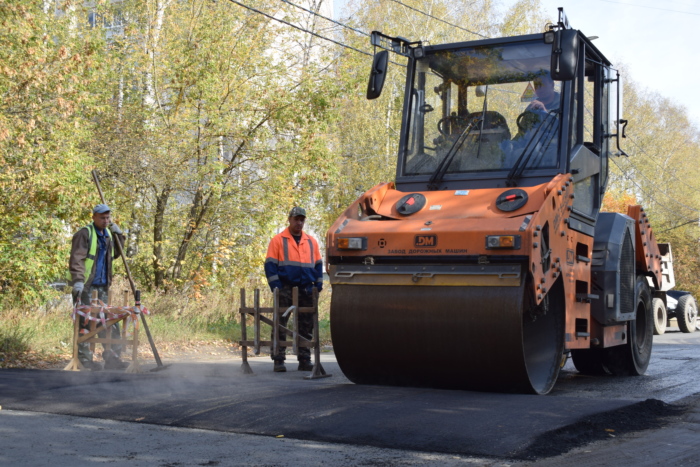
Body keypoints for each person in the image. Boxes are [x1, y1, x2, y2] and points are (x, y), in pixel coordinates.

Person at [69, 204, 127, 371]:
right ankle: (85, 360)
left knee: (108, 321)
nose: (105, 220)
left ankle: (113, 358)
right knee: (86, 322)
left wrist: (119, 235)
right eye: (102, 217)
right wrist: (78, 280)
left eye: (108, 217)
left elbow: (117, 254)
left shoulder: (108, 234)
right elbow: (77, 259)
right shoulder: (84, 234)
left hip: (102, 285)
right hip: (86, 286)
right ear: (94, 217)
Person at [264, 207, 323, 372]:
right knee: (280, 323)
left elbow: (318, 265)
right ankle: (278, 359)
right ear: (289, 219)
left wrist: (318, 284)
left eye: (302, 219)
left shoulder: (311, 241)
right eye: (296, 219)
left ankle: (304, 359)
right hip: (285, 287)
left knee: (306, 324)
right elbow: (270, 265)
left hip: (306, 289)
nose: (299, 222)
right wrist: (276, 286)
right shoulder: (278, 240)